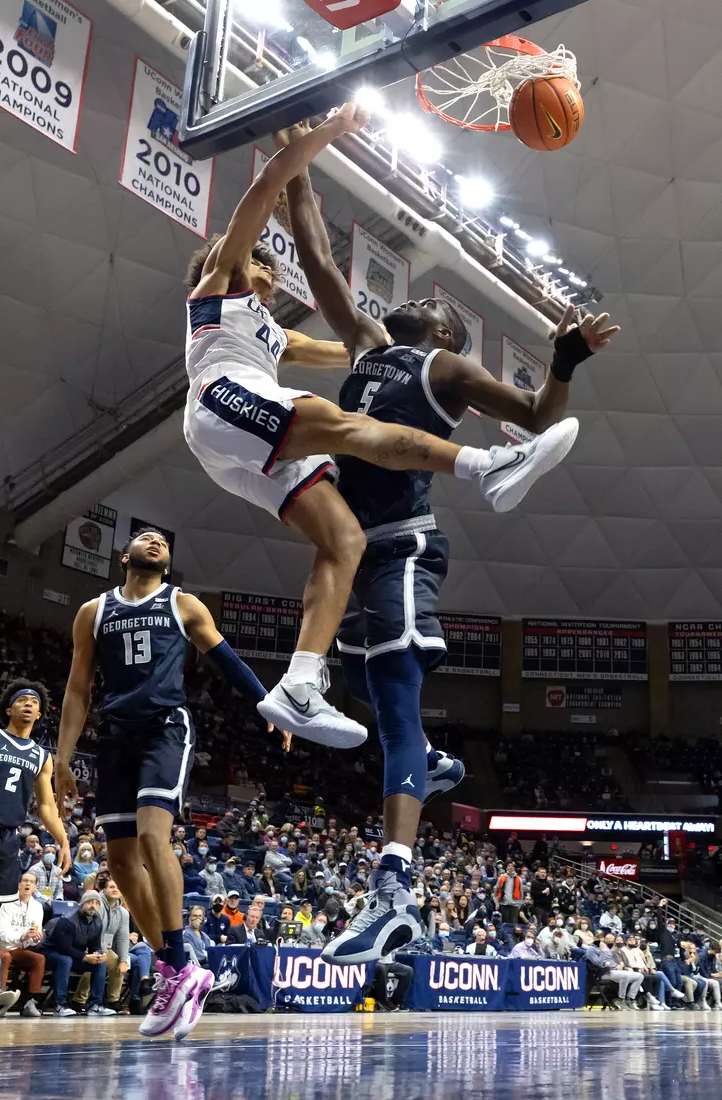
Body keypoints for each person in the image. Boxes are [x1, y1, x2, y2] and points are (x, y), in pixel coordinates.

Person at [278, 128, 617, 968]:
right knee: (355, 681)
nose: (425, 295)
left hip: (400, 549)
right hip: (355, 554)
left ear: (445, 332)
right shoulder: (366, 345)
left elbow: (540, 414)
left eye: (437, 303)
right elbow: (318, 256)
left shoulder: (444, 371)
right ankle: (426, 764)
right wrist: (295, 169)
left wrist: (563, 360)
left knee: (391, 699)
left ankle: (394, 890)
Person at [183, 106, 601, 754]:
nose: (269, 272)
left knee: (342, 539)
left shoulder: (294, 334)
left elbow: (333, 338)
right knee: (348, 426)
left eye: (268, 271)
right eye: (261, 268)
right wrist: (319, 140)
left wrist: (562, 361)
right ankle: (488, 466)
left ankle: (298, 683)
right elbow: (281, 214)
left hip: (251, 440)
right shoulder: (216, 289)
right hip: (222, 400)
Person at [54, 528, 284, 1040]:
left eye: (161, 539)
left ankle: (178, 965)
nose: (153, 540)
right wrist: (64, 757)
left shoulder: (183, 604)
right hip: (115, 735)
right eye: (143, 536)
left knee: (155, 837)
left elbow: (227, 660)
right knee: (117, 861)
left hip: (165, 730)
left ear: (168, 560)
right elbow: (76, 687)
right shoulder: (94, 612)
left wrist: (267, 704)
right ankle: (174, 967)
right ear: (124, 556)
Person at [0, 679, 71, 932]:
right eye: (22, 700)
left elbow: (46, 807)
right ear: (8, 710)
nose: (28, 704)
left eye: (34, 702)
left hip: (7, 839)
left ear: (39, 714)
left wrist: (64, 841)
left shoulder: (41, 756)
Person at [36, 890, 115, 1017]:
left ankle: (95, 1005)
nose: (93, 906)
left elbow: (94, 945)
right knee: (65, 960)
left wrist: (99, 954)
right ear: (82, 903)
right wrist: (84, 956)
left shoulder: (97, 921)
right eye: (89, 902)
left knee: (100, 963)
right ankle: (60, 1005)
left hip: (73, 956)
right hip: (50, 953)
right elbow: (64, 947)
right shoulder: (67, 920)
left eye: (96, 903)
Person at [0, 871, 45, 1016]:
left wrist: (35, 938)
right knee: (5, 956)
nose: (27, 884)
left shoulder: (38, 907)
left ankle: (30, 1002)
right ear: (18, 884)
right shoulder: (6, 904)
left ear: (35, 886)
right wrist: (22, 936)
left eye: (31, 882)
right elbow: (1, 935)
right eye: (24, 881)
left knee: (38, 959)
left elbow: (32, 938)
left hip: (19, 949)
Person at [74, 879, 132, 1011]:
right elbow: (92, 932)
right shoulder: (96, 905)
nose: (115, 889)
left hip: (104, 948)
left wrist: (124, 960)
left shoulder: (123, 913)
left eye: (118, 887)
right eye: (111, 887)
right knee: (96, 962)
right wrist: (100, 952)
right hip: (85, 945)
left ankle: (113, 1001)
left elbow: (123, 937)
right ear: (104, 890)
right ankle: (78, 1001)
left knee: (117, 962)